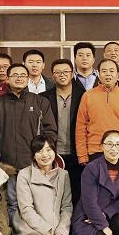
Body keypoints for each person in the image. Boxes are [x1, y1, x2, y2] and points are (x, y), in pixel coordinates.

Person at [12, 136, 74, 235]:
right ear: (33, 155)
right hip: (31, 227)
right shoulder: (24, 174)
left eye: (48, 150)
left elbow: (67, 207)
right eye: (39, 151)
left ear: (54, 152)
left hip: (55, 228)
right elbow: (26, 209)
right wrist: (45, 232)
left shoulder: (63, 175)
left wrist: (61, 231)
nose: (45, 155)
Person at [70, 130, 119, 235]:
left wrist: (107, 213)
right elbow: (89, 202)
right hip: (88, 215)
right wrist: (104, 227)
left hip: (111, 213)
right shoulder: (91, 168)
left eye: (118, 144)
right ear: (102, 146)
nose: (114, 148)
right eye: (109, 144)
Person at [0, 63, 57, 170]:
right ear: (7, 79)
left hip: (35, 164)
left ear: (28, 79)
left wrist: (42, 155)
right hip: (6, 166)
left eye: (23, 75)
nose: (19, 78)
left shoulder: (40, 102)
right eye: (15, 75)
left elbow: (50, 132)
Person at [75, 58, 119, 165]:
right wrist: (82, 155)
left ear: (117, 74)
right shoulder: (88, 96)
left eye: (111, 71)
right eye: (104, 71)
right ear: (98, 74)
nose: (108, 74)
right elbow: (81, 127)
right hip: (95, 151)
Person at [41, 59, 84, 204]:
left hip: (77, 153)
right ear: (52, 75)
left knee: (77, 192)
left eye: (66, 72)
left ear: (72, 74)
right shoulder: (43, 98)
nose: (62, 75)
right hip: (53, 153)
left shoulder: (84, 96)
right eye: (58, 72)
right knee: (53, 193)